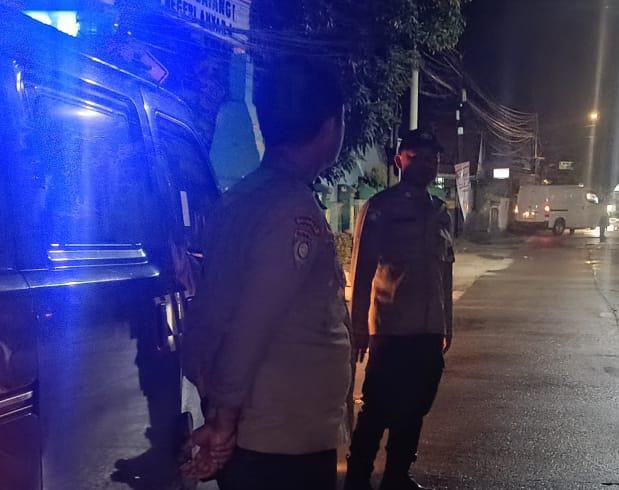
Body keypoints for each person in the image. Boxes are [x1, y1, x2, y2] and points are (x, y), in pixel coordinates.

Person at [180, 57, 352, 490]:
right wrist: (224, 420)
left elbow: (212, 311)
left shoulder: (239, 200)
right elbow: (251, 323)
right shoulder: (293, 210)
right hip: (282, 442)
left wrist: (217, 404)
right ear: (331, 127)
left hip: (264, 435)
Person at [344, 130, 454, 490]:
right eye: (416, 156)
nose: (427, 164)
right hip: (391, 328)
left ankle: (397, 475)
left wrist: (447, 325)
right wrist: (359, 326)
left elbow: (445, 271)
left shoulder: (440, 212)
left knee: (416, 408)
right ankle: (357, 478)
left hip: (429, 329)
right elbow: (362, 269)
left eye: (432, 158)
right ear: (399, 161)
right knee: (377, 407)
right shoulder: (381, 207)